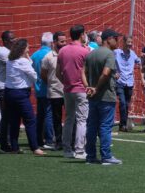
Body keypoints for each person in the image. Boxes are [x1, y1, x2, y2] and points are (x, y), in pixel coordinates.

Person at [84, 29, 121, 165]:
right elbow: (105, 73)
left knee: (92, 126)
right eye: (116, 38)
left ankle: (90, 156)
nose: (117, 41)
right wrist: (97, 88)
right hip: (106, 96)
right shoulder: (110, 54)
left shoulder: (91, 54)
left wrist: (89, 87)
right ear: (108, 39)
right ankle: (106, 156)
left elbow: (83, 72)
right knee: (105, 126)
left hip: (93, 97)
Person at [4, 38, 43, 155]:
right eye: (27, 48)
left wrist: (26, 56)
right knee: (30, 120)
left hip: (9, 93)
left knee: (14, 121)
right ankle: (35, 147)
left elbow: (28, 64)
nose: (28, 49)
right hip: (20, 94)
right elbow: (34, 76)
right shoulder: (23, 62)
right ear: (22, 49)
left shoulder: (10, 61)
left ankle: (14, 147)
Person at [56, 24, 90, 157]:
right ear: (81, 35)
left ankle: (67, 149)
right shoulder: (85, 51)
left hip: (68, 89)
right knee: (81, 120)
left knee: (69, 119)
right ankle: (80, 150)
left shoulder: (62, 51)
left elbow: (58, 73)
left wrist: (66, 82)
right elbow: (88, 72)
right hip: (81, 89)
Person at [41, 32, 66, 151]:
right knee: (57, 119)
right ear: (54, 42)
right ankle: (59, 142)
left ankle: (71, 141)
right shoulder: (48, 57)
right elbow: (43, 74)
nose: (64, 43)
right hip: (55, 92)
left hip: (68, 91)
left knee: (71, 117)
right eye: (61, 41)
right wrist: (52, 84)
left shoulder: (67, 54)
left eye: (65, 41)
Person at [115, 35, 143, 132]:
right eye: (128, 42)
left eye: (131, 43)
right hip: (120, 82)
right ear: (123, 42)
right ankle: (122, 124)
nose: (130, 45)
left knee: (126, 104)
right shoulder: (116, 52)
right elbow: (108, 61)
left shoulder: (133, 54)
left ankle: (123, 124)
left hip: (130, 82)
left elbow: (140, 62)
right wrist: (114, 72)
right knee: (122, 103)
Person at [30, 32, 53, 149]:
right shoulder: (50, 54)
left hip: (38, 88)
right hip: (48, 88)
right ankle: (49, 139)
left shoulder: (34, 55)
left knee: (40, 115)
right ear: (51, 43)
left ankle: (39, 139)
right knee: (49, 114)